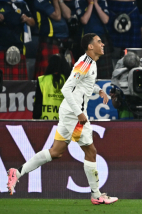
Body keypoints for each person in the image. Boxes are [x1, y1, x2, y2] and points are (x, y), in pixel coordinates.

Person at [7, 33, 118, 205]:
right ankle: (96, 195)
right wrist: (79, 113)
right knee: (91, 152)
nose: (102, 44)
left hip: (70, 113)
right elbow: (67, 89)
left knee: (56, 152)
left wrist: (98, 91)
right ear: (90, 46)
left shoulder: (90, 63)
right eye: (99, 42)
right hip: (75, 115)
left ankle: (17, 172)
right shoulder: (84, 64)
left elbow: (84, 85)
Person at [33, 0, 71, 78]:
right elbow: (57, 16)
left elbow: (68, 15)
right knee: (47, 78)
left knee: (66, 78)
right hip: (49, 43)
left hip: (63, 44)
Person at [74, 0, 112, 79]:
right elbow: (84, 20)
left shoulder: (103, 2)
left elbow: (105, 20)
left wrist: (96, 4)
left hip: (101, 40)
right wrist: (91, 4)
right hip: (86, 40)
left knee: (105, 74)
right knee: (87, 74)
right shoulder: (79, 2)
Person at [0, 0, 35, 80]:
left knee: (19, 83)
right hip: (1, 47)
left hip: (18, 47)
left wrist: (27, 19)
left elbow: (33, 23)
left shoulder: (22, 4)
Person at [32, 54, 71, 120]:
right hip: (64, 122)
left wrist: (36, 118)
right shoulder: (68, 81)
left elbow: (38, 104)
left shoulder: (42, 80)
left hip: (45, 122)